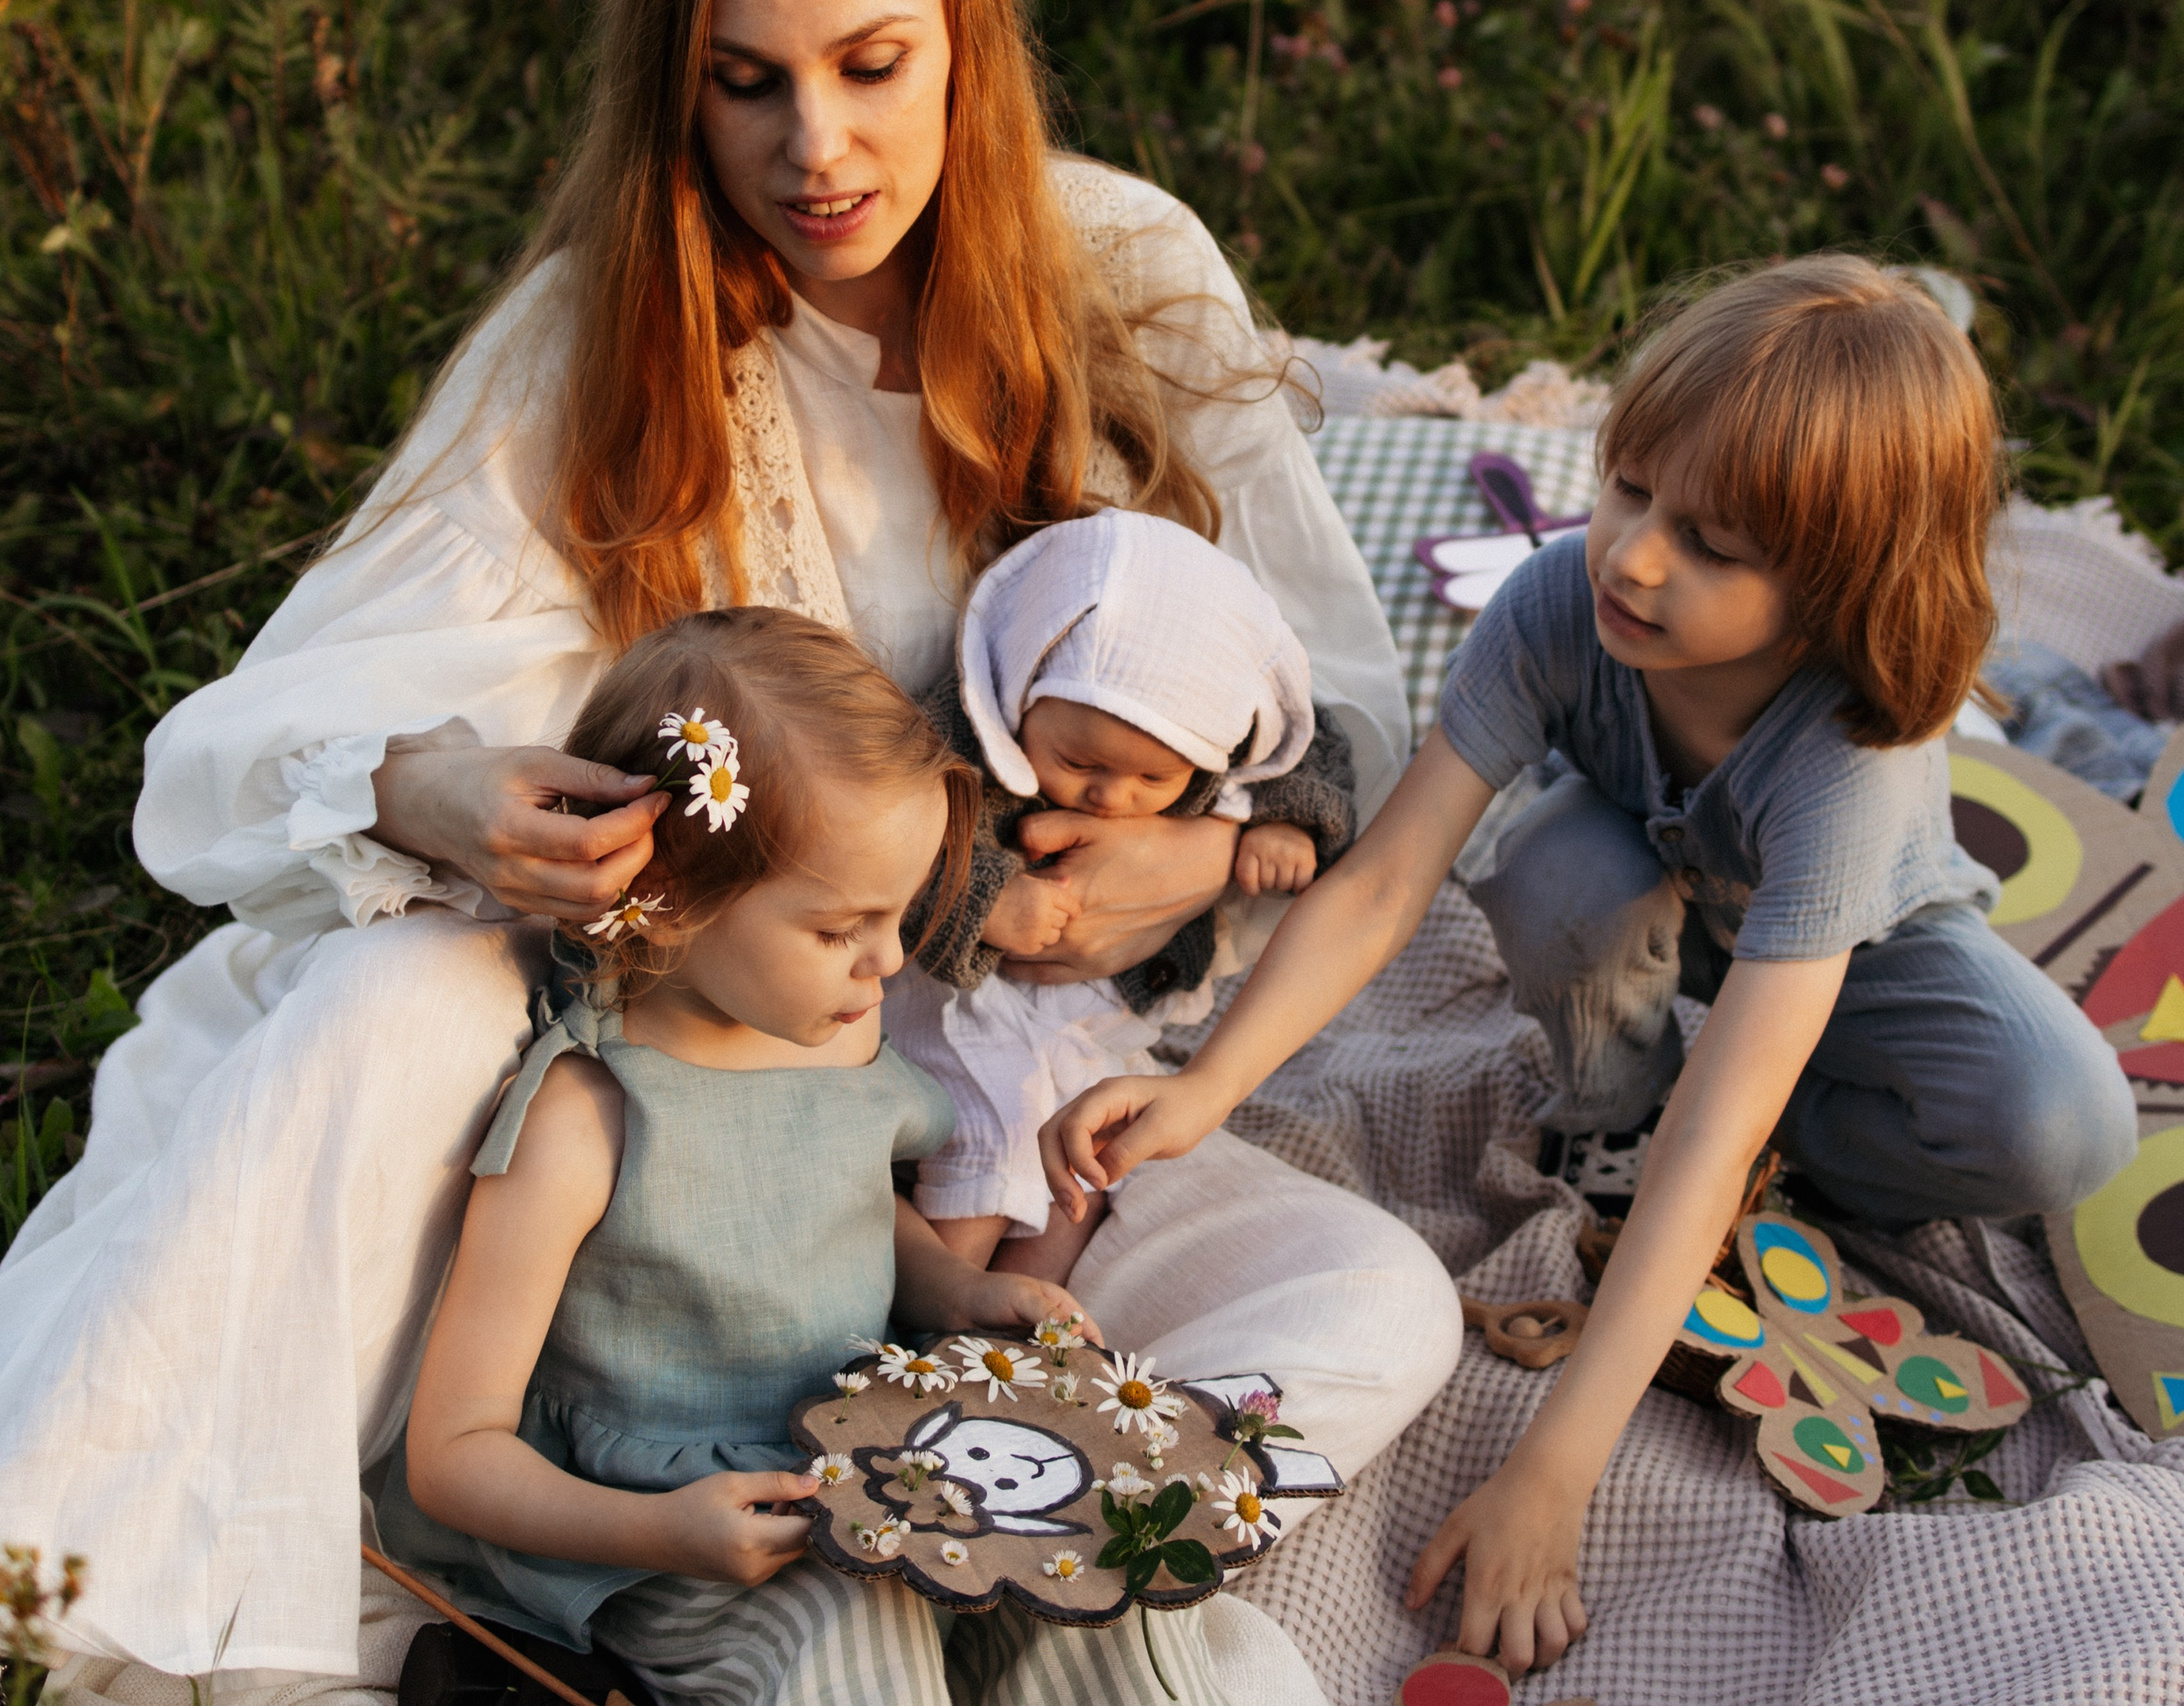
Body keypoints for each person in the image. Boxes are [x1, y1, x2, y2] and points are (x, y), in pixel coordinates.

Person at [0, 0, 1457, 1688]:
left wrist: (1198, 864)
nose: (815, 149)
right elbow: (267, 732)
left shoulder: (1124, 266)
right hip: (704, 1110)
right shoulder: (608, 331)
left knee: (1380, 1299)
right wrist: (438, 789)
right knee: (399, 994)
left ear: (966, 47)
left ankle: (992, 1515)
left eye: (870, 66)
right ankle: (594, 1545)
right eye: (745, 83)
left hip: (1014, 1113)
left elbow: (1335, 707)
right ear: (674, 88)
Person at [1040, 256, 2140, 1676]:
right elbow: (1382, 882)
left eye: (1713, 545)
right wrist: (1208, 1089)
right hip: (1638, 881)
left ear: (1835, 592)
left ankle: (1772, 1140)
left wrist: (1554, 1473)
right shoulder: (1563, 600)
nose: (1633, 556)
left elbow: (1720, 1127)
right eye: (1627, 488)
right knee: (1556, 872)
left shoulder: (1847, 756)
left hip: (1854, 951)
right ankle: (1617, 1100)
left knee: (2061, 1122)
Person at [376, 607, 1215, 1703]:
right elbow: (454, 1452)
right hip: (687, 1538)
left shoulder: (837, 1033)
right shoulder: (589, 1117)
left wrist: (960, 1289)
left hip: (884, 1461)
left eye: (898, 914)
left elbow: (847, 1204)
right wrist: (659, 1530)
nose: (890, 960)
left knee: (1105, 1603)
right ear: (668, 899)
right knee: (856, 1637)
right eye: (837, 928)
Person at [887, 507, 1356, 1284]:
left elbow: (1308, 748)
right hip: (964, 1004)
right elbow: (894, 842)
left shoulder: (1223, 719)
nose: (1111, 795)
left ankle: (1033, 1309)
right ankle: (943, 1301)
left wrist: (1285, 824)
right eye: (1079, 762)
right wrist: (986, 902)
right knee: (996, 1130)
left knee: (1090, 1148)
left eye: (1153, 779)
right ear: (1020, 693)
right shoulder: (959, 737)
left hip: (1087, 1016)